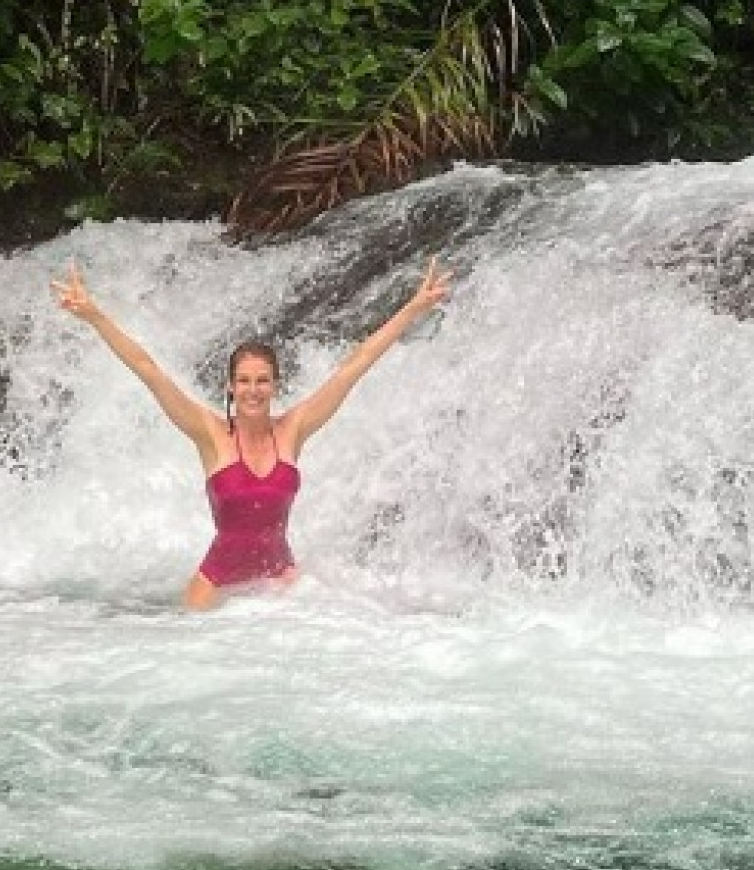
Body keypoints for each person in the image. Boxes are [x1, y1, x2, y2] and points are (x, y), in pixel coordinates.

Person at [51, 255, 453, 608]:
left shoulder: (293, 429)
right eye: (243, 381)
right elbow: (148, 370)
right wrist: (94, 316)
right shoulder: (210, 433)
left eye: (262, 381)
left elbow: (354, 365)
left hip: (280, 584)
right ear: (230, 387)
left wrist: (413, 308)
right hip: (215, 588)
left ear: (275, 385)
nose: (253, 390)